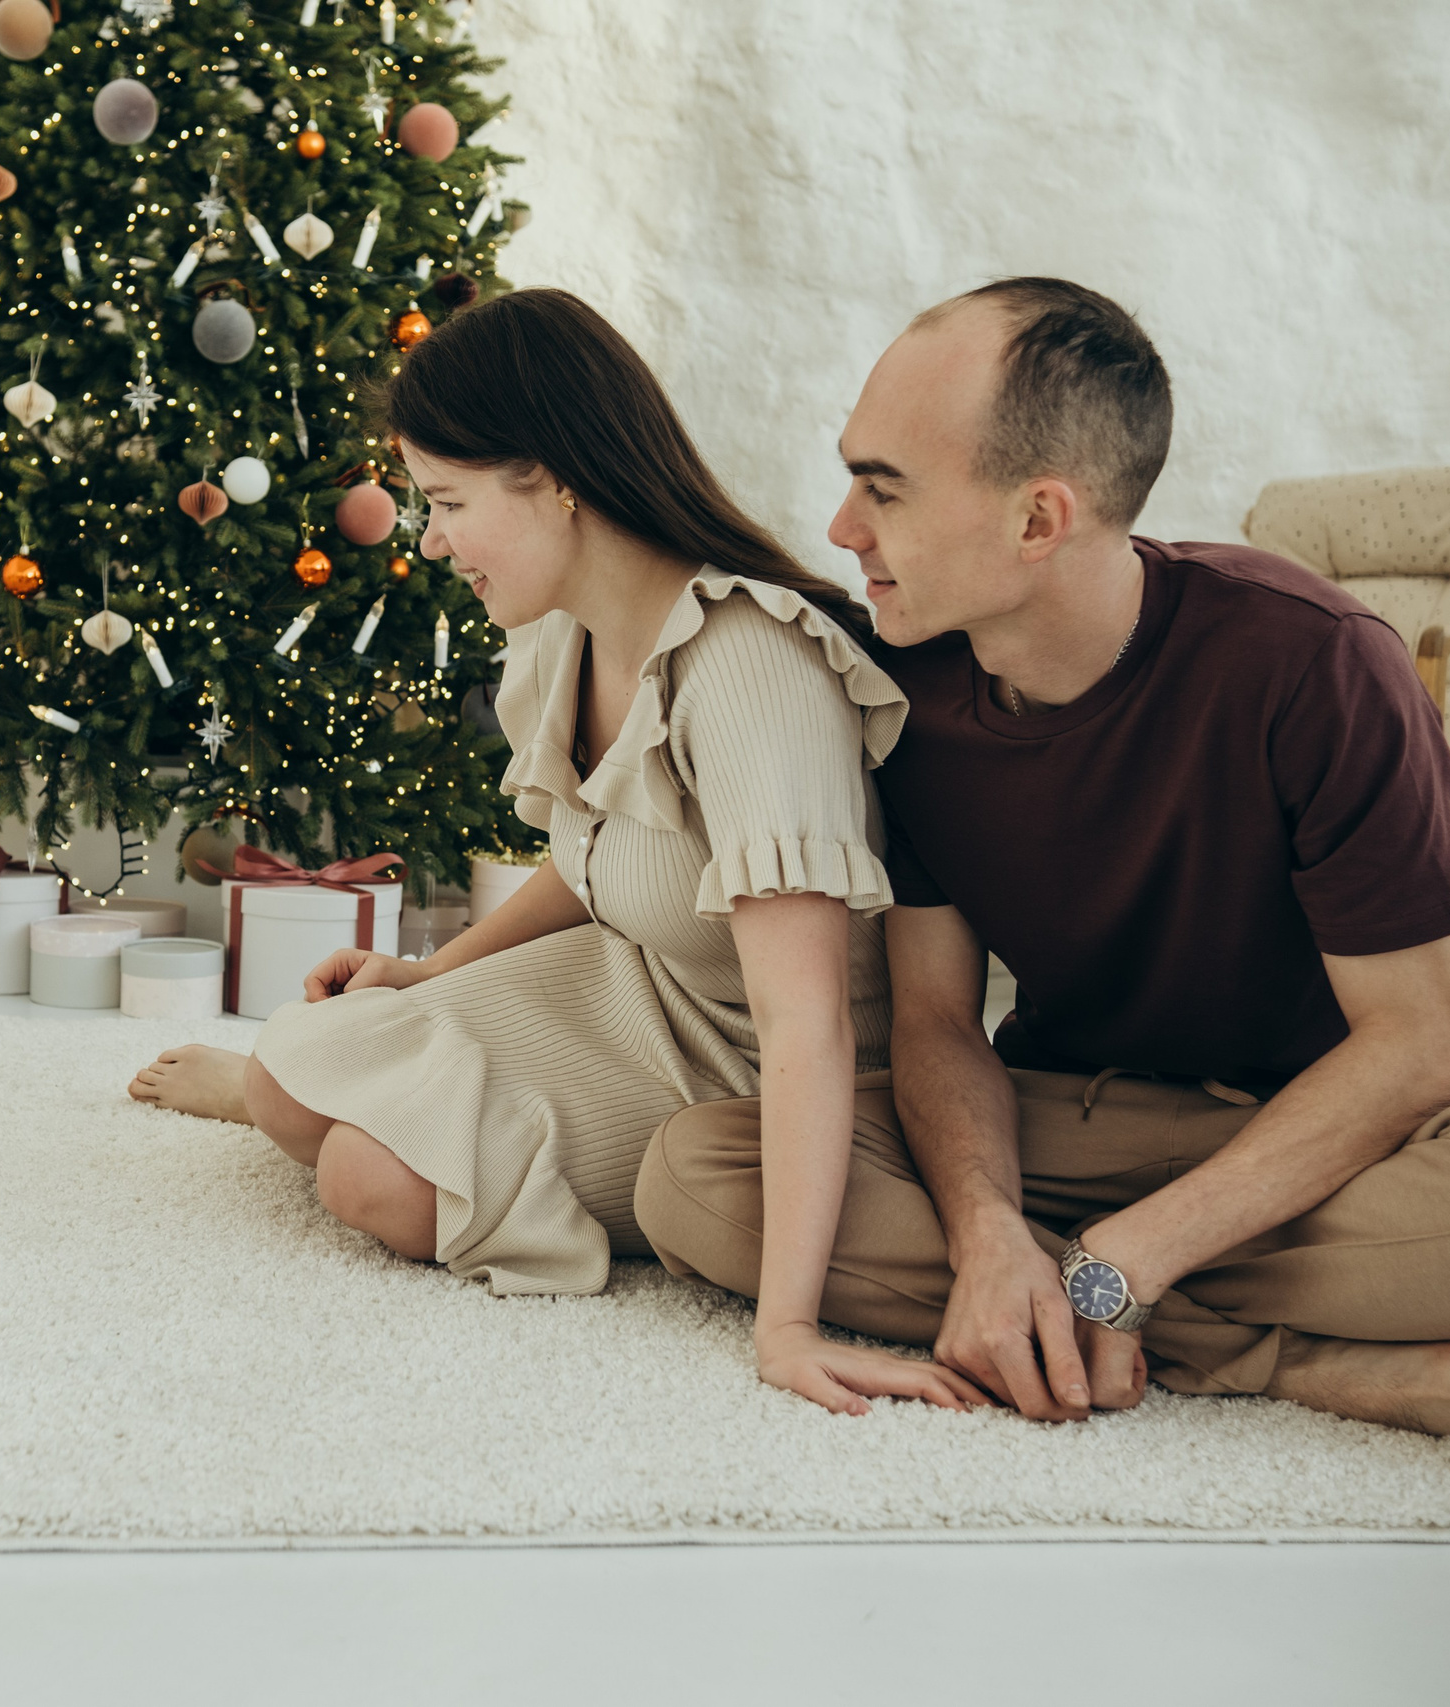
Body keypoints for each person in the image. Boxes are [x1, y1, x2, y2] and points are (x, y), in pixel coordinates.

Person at [636, 277, 1450, 1476]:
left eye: (882, 487)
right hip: (1066, 1122)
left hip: (1314, 1143)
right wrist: (986, 1233)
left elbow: (1430, 1045)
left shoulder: (1317, 666)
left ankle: (1100, 1309)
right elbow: (936, 1020)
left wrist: (1119, 1265)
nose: (841, 527)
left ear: (1038, 520)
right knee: (697, 1176)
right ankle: (1303, 1361)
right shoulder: (902, 688)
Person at [129, 288, 980, 1416]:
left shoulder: (744, 669)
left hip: (736, 1065)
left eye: (447, 502)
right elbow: (596, 858)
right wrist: (434, 973)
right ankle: (311, 1086)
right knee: (291, 1077)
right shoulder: (566, 635)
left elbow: (807, 1024)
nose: (430, 541)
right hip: (638, 985)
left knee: (363, 1177)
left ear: (555, 477)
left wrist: (785, 1326)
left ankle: (447, 1140)